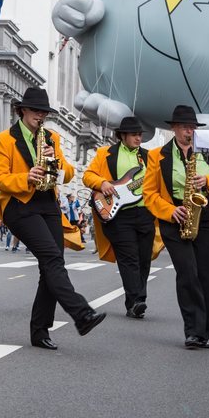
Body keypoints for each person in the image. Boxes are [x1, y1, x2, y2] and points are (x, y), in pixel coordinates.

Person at [0, 86, 105, 350]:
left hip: (47, 203)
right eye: (35, 111)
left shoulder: (50, 137)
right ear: (23, 110)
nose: (40, 116)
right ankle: (81, 313)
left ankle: (39, 331)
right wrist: (25, 177)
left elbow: (70, 173)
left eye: (43, 112)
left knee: (51, 264)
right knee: (52, 259)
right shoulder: (4, 139)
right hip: (19, 204)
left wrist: (56, 164)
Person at [142, 105, 209, 349]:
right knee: (187, 272)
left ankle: (204, 331)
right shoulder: (157, 155)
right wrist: (170, 211)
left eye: (192, 127)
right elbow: (149, 193)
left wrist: (207, 180)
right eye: (185, 127)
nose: (189, 131)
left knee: (207, 274)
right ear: (173, 128)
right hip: (175, 218)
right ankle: (192, 330)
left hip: (205, 218)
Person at [84, 116, 157, 320]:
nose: (138, 138)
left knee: (144, 259)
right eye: (134, 134)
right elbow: (87, 176)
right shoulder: (105, 153)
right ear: (122, 136)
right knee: (129, 258)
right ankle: (135, 301)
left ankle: (136, 301)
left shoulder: (149, 157)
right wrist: (102, 183)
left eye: (140, 134)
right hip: (118, 215)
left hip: (145, 214)